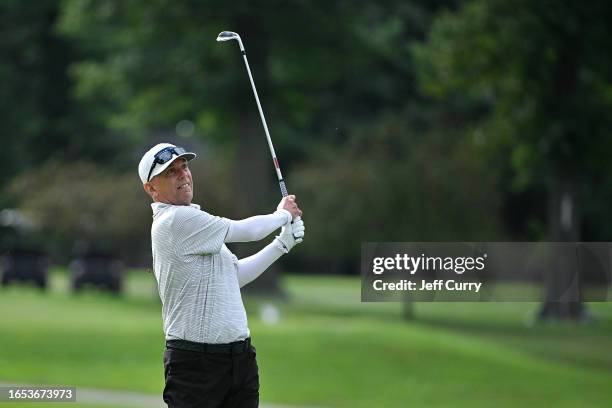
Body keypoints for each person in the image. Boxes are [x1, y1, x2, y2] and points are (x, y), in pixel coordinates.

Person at [138, 143, 305, 408]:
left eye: (184, 167)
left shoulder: (196, 223)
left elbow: (233, 276)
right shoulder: (174, 221)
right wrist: (283, 214)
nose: (183, 175)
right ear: (151, 188)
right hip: (197, 365)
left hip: (240, 361)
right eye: (171, 172)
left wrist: (281, 245)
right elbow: (246, 231)